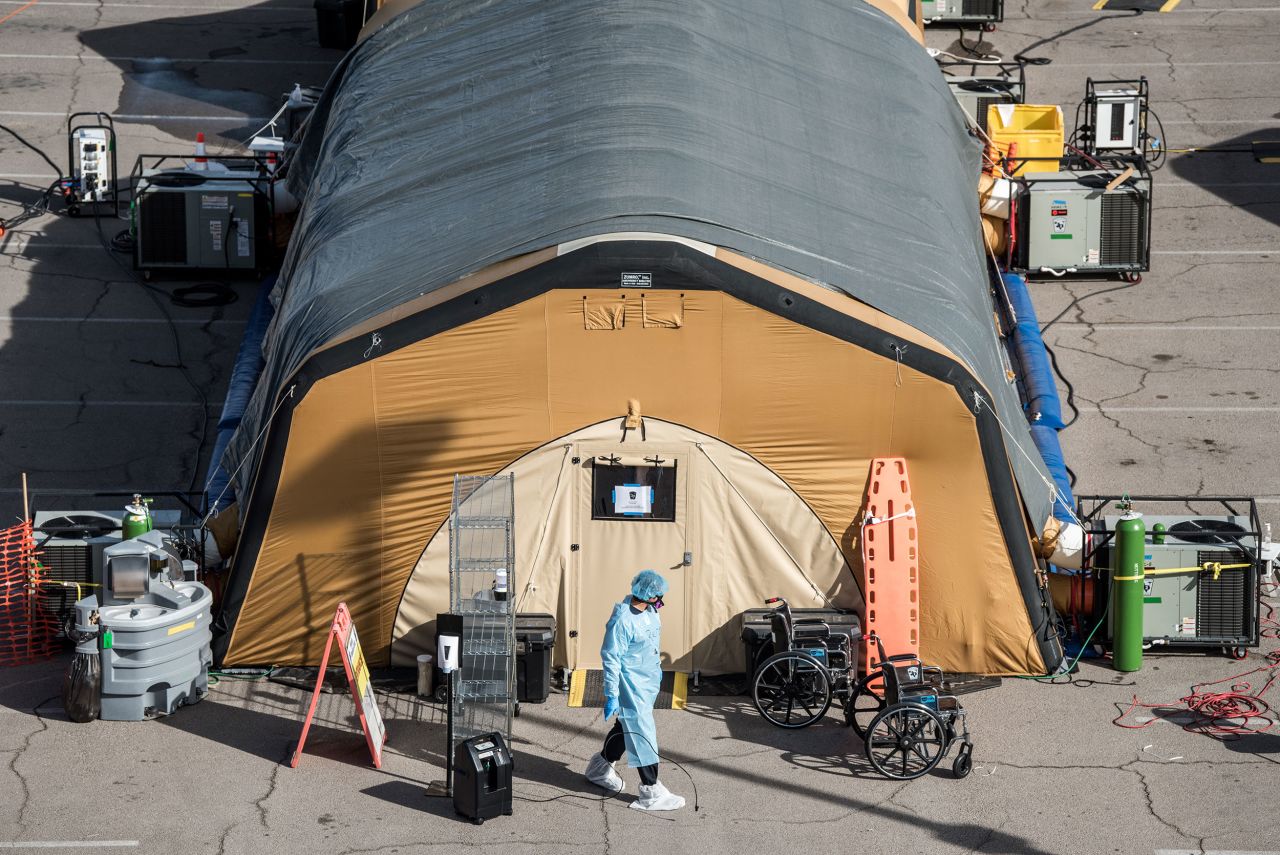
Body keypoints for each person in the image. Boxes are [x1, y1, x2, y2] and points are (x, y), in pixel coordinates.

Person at [583, 569, 686, 811]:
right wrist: (612, 694)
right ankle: (650, 791)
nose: (661, 599)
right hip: (631, 684)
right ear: (648, 595)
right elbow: (611, 658)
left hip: (647, 681)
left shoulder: (651, 611)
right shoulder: (622, 621)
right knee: (642, 732)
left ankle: (599, 768)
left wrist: (656, 671)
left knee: (625, 726)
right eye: (658, 595)